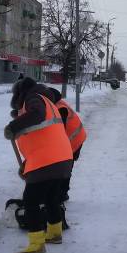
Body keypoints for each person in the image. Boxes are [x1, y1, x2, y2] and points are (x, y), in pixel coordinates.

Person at [4, 79, 74, 253]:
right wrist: (28, 165)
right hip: (62, 158)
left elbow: (37, 115)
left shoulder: (33, 98)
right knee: (50, 197)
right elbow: (43, 138)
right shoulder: (48, 101)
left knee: (31, 200)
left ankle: (36, 245)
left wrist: (14, 127)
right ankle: (55, 233)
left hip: (49, 160)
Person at [45, 85, 87, 226]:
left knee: (64, 167)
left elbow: (59, 131)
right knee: (64, 167)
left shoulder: (60, 108)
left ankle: (61, 194)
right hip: (74, 138)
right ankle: (61, 192)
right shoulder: (56, 104)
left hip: (73, 141)